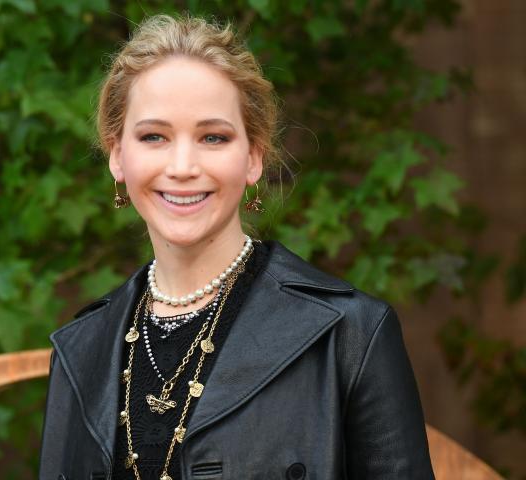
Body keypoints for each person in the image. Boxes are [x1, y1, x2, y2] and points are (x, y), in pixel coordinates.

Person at [38, 14, 434, 480]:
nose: (182, 166)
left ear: (253, 157)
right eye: (154, 137)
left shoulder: (351, 335)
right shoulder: (79, 350)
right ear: (118, 156)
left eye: (213, 137)